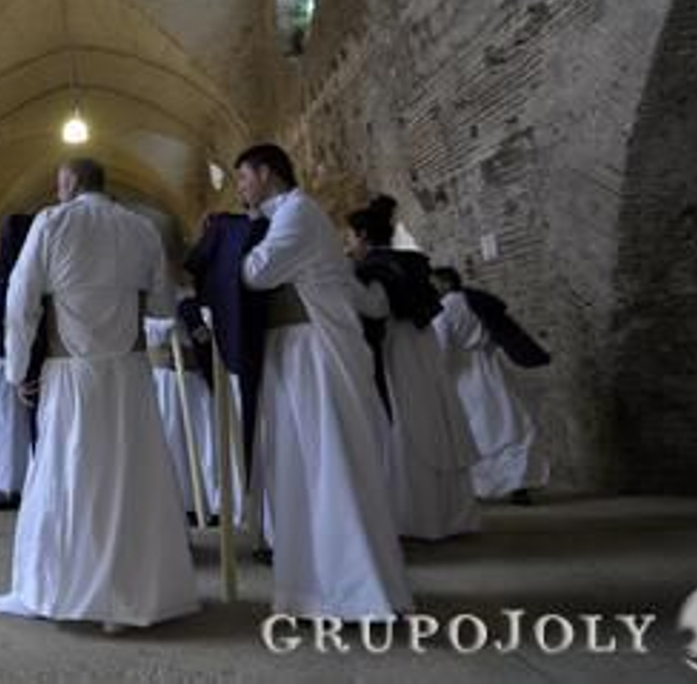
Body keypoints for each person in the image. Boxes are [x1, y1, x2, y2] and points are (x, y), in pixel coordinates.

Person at [0, 158, 198, 633]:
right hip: (129, 373)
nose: (56, 191)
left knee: (71, 471)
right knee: (129, 473)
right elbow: (163, 304)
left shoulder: (51, 222)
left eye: (58, 184)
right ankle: (131, 594)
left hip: (70, 372)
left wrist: (17, 370)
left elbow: (20, 302)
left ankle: (65, 589)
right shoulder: (141, 228)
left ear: (69, 183)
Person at [235, 145, 411, 621]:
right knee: (301, 469)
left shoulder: (297, 213)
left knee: (330, 464)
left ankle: (356, 592)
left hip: (315, 351)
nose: (241, 189)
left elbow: (258, 272)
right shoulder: (282, 215)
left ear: (266, 173)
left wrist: (233, 245)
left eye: (244, 178)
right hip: (291, 350)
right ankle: (312, 590)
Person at [348, 197, 479, 540]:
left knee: (409, 424)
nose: (350, 245)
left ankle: (419, 519)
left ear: (362, 235)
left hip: (399, 347)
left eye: (351, 237)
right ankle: (453, 516)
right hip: (424, 344)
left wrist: (344, 281)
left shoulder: (375, 266)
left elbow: (377, 307)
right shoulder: (412, 262)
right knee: (436, 420)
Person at [431, 266, 550, 503]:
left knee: (477, 429)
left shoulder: (445, 309)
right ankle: (519, 484)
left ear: (445, 283)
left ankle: (481, 487)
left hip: (464, 375)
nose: (431, 288)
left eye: (434, 283)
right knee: (510, 423)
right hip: (492, 368)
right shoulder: (478, 301)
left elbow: (442, 347)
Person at [0, 214, 37, 510]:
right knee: (3, 428)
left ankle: (20, 485)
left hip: (15, 360)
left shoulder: (21, 276)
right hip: (1, 364)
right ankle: (4, 485)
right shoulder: (10, 280)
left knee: (17, 427)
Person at [144, 301, 216, 524]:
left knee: (203, 439)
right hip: (165, 379)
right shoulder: (151, 304)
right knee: (172, 436)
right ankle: (183, 503)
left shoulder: (193, 302)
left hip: (195, 379)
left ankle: (207, 502)